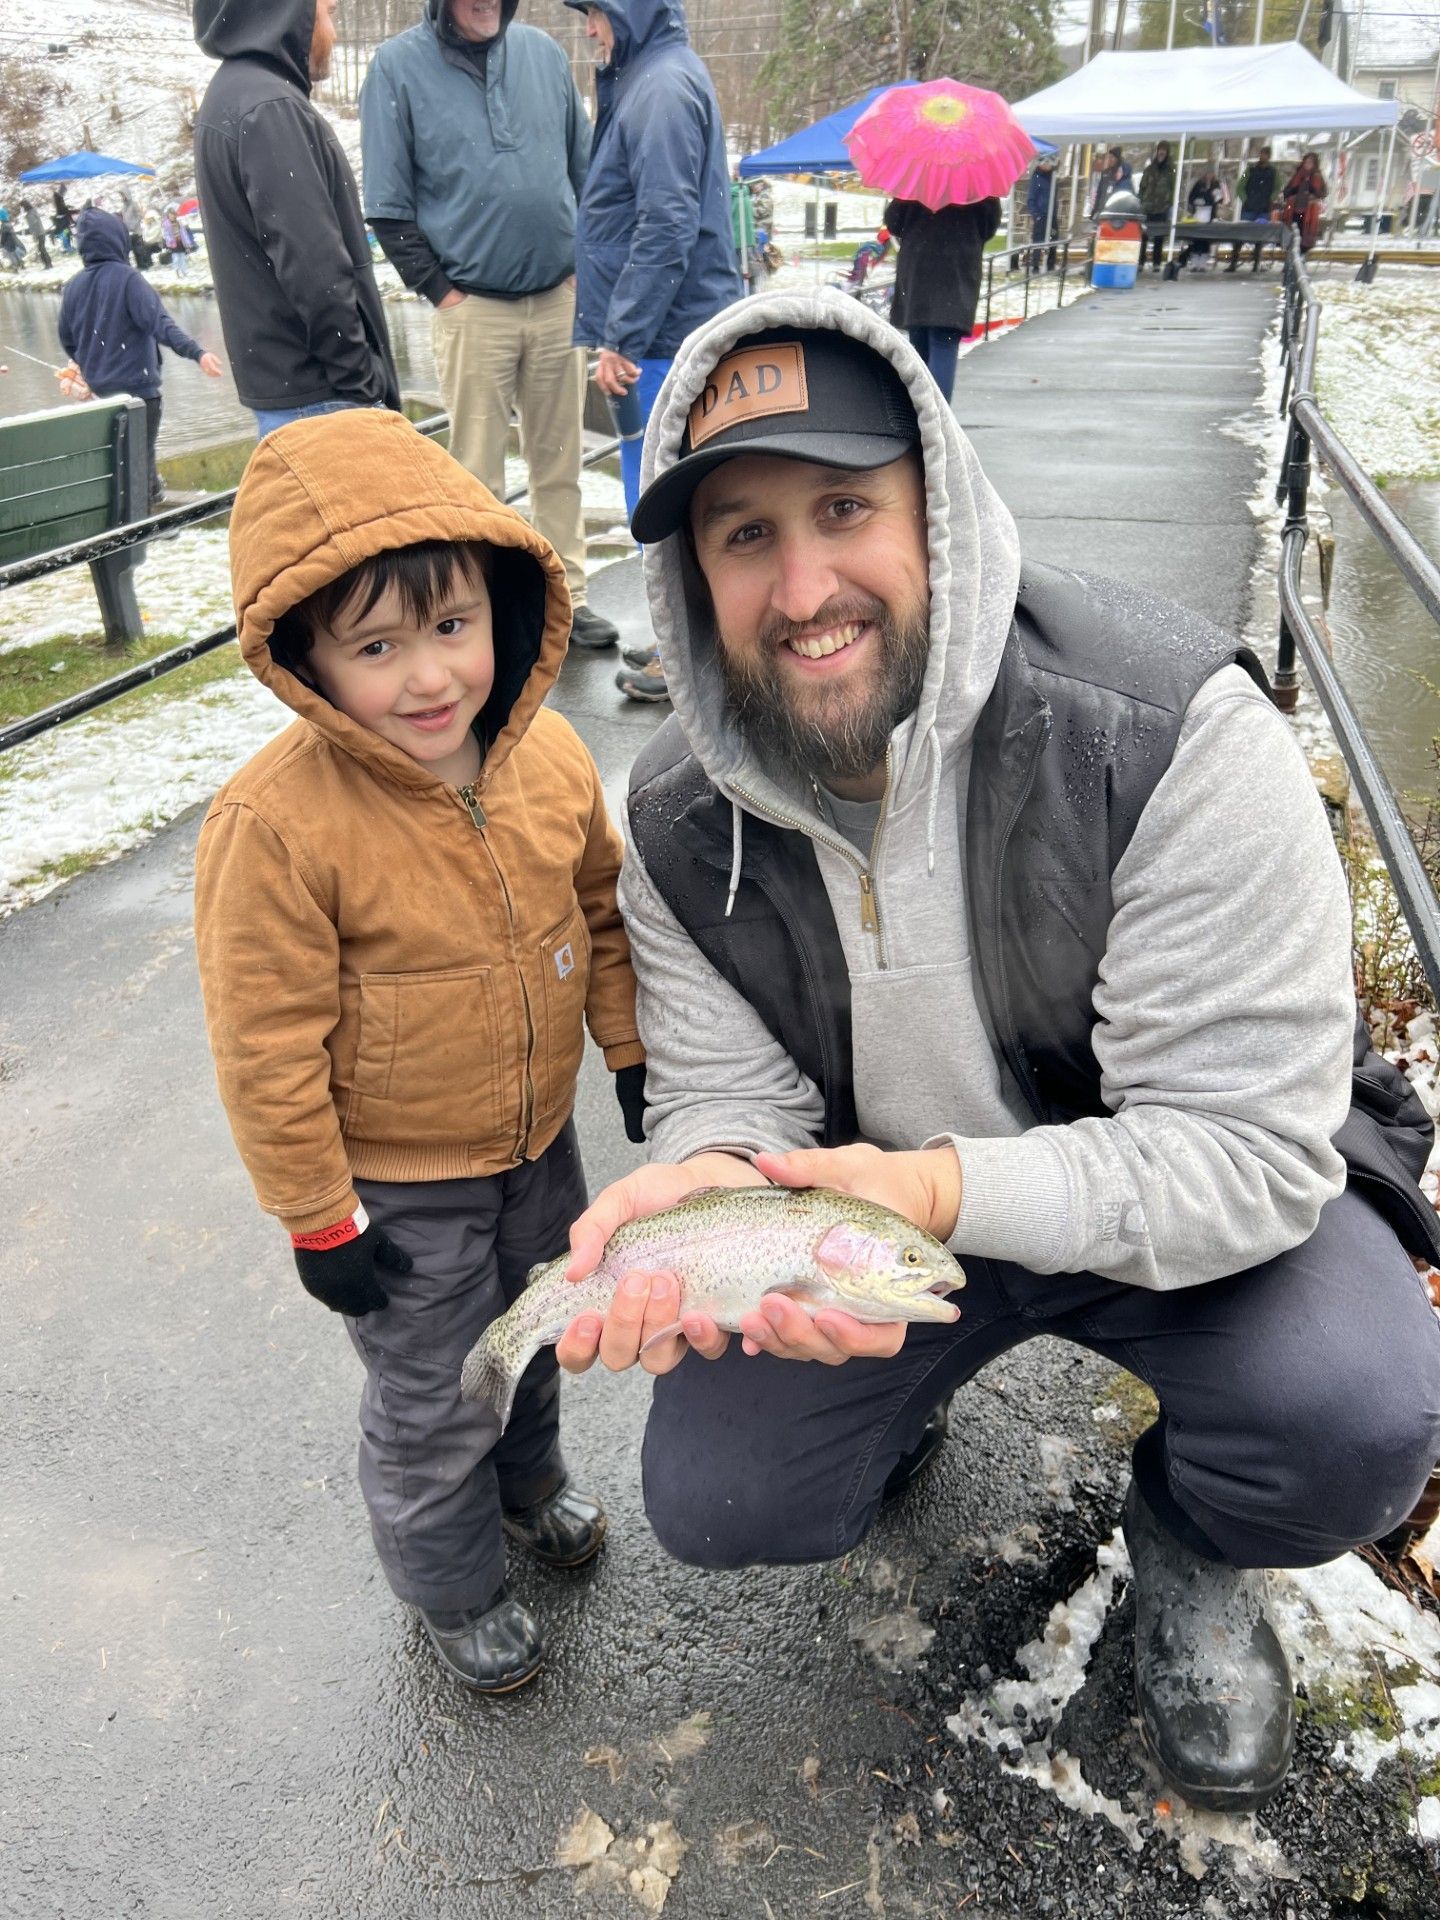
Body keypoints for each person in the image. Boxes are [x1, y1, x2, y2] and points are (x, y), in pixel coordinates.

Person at [552, 292, 1440, 1813]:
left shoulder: (1168, 733)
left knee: (1357, 1411)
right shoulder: (677, 817)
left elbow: (1238, 1152)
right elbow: (721, 1094)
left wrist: (934, 1193)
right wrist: (704, 1187)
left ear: (938, 508)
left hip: (1163, 1205)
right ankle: (898, 1399)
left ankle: (1198, 1546)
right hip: (870, 1225)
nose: (803, 584)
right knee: (718, 1492)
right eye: (744, 535)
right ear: (692, 577)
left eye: (844, 508)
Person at [192, 408, 646, 1694]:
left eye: (451, 628)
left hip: (535, 1146)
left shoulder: (548, 754)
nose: (430, 677)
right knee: (437, 1390)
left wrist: (628, 1047)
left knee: (537, 1332)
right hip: (397, 1184)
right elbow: (265, 1042)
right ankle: (451, 1584)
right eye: (378, 647)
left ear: (502, 608)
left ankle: (533, 1486)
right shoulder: (278, 825)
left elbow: (601, 913)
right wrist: (317, 1218)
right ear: (312, 663)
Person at [359, 0, 620, 656]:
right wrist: (444, 294)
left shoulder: (544, 56)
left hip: (557, 302)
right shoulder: (395, 69)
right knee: (475, 475)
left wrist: (580, 273)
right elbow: (387, 209)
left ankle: (569, 598)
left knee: (559, 463)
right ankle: (487, 616)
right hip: (472, 309)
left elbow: (587, 179)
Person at [566, 0, 741, 704]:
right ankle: (683, 640)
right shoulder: (650, 76)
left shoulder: (661, 85)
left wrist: (622, 337)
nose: (588, 29)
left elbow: (666, 222)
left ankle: (693, 657)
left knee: (667, 501)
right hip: (664, 332)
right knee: (664, 494)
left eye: (595, 14)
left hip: (665, 339)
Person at [192, 0, 401, 437]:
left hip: (293, 391)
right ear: (288, 12)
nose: (333, 30)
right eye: (327, 12)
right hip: (324, 400)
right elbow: (315, 269)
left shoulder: (235, 95)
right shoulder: (269, 107)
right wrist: (362, 384)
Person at [57, 207, 223, 507]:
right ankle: (149, 512)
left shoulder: (73, 287)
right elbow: (160, 324)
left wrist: (92, 364)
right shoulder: (128, 279)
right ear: (118, 241)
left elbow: (67, 341)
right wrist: (196, 352)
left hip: (102, 396)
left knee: (124, 459)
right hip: (139, 392)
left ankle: (146, 502)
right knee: (140, 460)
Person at [883, 194, 1000, 398]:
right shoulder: (978, 182)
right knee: (944, 342)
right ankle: (938, 419)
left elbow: (894, 221)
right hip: (957, 269)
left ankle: (919, 414)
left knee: (919, 347)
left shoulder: (917, 173)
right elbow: (988, 225)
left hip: (918, 269)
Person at [1229, 147, 1278, 272]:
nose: (1263, 156)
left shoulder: (1273, 171)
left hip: (1263, 209)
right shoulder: (1249, 169)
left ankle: (1256, 264)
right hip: (1248, 208)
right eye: (1262, 154)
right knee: (1240, 235)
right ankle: (1233, 262)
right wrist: (1245, 199)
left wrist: (1271, 198)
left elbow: (1277, 187)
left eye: (1266, 154)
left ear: (1269, 156)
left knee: (1259, 236)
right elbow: (1240, 186)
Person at [1137, 140, 1176, 272]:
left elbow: (1174, 188)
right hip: (1147, 208)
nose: (1161, 152)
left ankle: (1156, 263)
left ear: (1167, 152)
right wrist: (1141, 201)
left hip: (1162, 208)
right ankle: (1140, 262)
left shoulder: (1171, 170)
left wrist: (1169, 204)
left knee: (1159, 237)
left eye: (1164, 150)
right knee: (1143, 236)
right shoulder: (1149, 169)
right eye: (1160, 149)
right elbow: (1142, 187)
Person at [1282, 152, 1327, 253]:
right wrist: (1291, 194)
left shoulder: (1317, 176)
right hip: (1294, 210)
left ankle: (1300, 258)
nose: (1307, 164)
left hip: (1308, 212)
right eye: (1306, 161)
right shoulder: (1298, 175)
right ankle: (1290, 260)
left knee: (1304, 238)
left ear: (1315, 163)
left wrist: (1313, 194)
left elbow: (1322, 193)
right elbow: (1287, 191)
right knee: (1292, 236)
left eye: (1310, 162)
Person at [1184, 166, 1227, 270]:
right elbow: (1191, 198)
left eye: (1211, 174)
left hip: (1210, 216)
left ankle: (1203, 263)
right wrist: (1197, 201)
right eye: (1207, 174)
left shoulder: (1216, 185)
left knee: (1206, 239)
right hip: (1198, 215)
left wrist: (1215, 197)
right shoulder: (1199, 184)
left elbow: (1220, 200)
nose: (1209, 176)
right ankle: (1195, 262)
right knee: (1196, 239)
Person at [1026, 155, 1059, 272]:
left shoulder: (1053, 177)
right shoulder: (1037, 178)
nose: (1047, 165)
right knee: (1038, 240)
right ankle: (1035, 265)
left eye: (1049, 162)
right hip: (1041, 215)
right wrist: (1037, 215)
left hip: (1052, 215)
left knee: (1054, 238)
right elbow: (1031, 199)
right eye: (1044, 162)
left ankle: (1051, 265)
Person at [1088, 146, 1132, 219]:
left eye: (1112, 157)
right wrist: (1095, 210)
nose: (1110, 160)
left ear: (1117, 159)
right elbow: (1099, 193)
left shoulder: (1123, 173)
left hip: (1117, 212)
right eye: (1109, 157)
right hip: (1103, 212)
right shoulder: (1105, 173)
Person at [159, 204, 197, 276]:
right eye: (171, 215)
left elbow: (183, 233)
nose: (172, 217)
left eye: (173, 215)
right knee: (176, 257)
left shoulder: (179, 223)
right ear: (168, 216)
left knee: (182, 257)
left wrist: (187, 243)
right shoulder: (166, 224)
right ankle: (177, 271)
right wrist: (169, 241)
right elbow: (166, 234)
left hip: (180, 242)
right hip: (173, 243)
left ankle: (184, 270)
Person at [20, 199, 51, 271]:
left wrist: (34, 235)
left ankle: (48, 264)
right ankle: (48, 263)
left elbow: (33, 225)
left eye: (21, 207)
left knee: (41, 249)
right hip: (40, 232)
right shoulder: (33, 211)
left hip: (39, 234)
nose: (21, 209)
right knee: (42, 249)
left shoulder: (30, 214)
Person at [52, 188, 75, 254]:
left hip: (63, 222)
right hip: (63, 223)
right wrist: (69, 209)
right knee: (65, 234)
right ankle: (67, 248)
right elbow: (64, 210)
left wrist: (68, 207)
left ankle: (67, 247)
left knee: (66, 234)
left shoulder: (58, 201)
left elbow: (64, 208)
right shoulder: (59, 201)